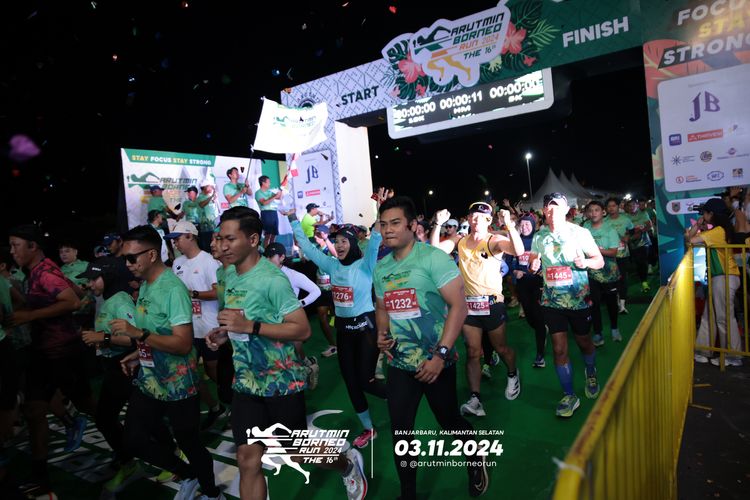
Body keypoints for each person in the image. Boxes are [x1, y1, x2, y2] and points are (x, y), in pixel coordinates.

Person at [206, 206, 367, 500]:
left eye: (230, 239)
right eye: (220, 238)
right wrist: (226, 333)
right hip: (246, 383)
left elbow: (301, 330)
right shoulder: (229, 275)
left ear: (253, 240)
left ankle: (347, 464)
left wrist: (249, 326)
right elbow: (244, 321)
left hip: (281, 383)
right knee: (247, 459)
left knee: (296, 451)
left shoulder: (272, 279)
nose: (222, 246)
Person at [374, 196, 488, 499]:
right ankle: (408, 494)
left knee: (448, 420)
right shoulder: (381, 267)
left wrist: (440, 355)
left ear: (413, 225)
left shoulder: (433, 259)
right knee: (401, 432)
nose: (388, 230)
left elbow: (459, 307)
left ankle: (474, 456)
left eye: (395, 223)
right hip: (399, 362)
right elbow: (382, 306)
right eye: (383, 224)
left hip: (437, 361)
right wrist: (382, 334)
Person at [114, 225, 222, 500]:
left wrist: (138, 334)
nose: (127, 264)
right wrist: (138, 353)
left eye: (131, 258)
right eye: (124, 258)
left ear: (151, 255)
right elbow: (157, 332)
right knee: (133, 439)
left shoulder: (172, 288)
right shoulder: (147, 285)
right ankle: (187, 475)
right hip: (151, 379)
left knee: (189, 442)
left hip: (179, 384)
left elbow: (183, 344)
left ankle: (212, 494)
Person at [291, 199, 386, 448]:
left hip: (366, 328)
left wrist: (379, 210)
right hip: (344, 330)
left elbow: (376, 237)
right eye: (337, 241)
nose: (340, 245)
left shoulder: (365, 264)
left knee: (365, 380)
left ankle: (398, 397)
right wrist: (293, 219)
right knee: (351, 382)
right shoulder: (331, 265)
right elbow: (307, 247)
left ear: (353, 243)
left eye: (344, 241)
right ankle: (369, 429)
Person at [8, 224, 93, 497]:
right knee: (34, 411)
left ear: (32, 246)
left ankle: (128, 451)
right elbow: (72, 294)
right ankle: (41, 477)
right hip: (42, 352)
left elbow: (72, 302)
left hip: (63, 352)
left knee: (90, 407)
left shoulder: (45, 272)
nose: (12, 251)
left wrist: (29, 316)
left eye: (15, 245)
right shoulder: (33, 272)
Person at [433, 203, 523, 418]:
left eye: (481, 217)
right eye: (472, 216)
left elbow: (518, 251)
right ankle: (475, 399)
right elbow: (435, 251)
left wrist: (510, 225)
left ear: (488, 220)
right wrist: (437, 224)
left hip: (492, 304)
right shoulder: (460, 241)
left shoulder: (494, 240)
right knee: (473, 352)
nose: (475, 220)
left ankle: (513, 373)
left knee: (501, 348)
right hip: (469, 306)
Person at [528, 193, 604, 418]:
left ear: (565, 210)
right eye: (549, 208)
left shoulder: (580, 232)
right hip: (551, 301)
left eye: (557, 207)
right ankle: (569, 395)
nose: (552, 212)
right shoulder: (539, 236)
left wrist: (586, 262)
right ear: (544, 211)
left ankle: (591, 371)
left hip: (578, 300)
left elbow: (599, 261)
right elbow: (533, 263)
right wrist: (533, 266)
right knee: (559, 348)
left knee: (584, 342)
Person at [78, 258, 143, 494]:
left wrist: (102, 338)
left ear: (108, 277)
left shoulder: (120, 300)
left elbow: (135, 338)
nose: (90, 284)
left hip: (127, 365)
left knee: (141, 420)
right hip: (114, 367)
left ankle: (174, 456)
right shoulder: (107, 299)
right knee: (108, 418)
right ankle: (128, 459)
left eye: (93, 279)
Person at [164, 220, 226, 429]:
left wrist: (192, 294)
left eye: (177, 239)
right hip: (187, 328)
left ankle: (235, 402)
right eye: (173, 240)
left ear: (190, 236)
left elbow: (219, 292)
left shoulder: (209, 261)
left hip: (210, 327)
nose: (175, 243)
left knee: (214, 371)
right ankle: (215, 407)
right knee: (190, 372)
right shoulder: (177, 263)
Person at [687, 198, 743, 367]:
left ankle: (733, 356)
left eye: (704, 213)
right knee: (709, 316)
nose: (703, 216)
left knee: (724, 318)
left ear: (711, 214)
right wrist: (701, 226)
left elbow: (690, 240)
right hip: (720, 277)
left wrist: (698, 225)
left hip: (724, 277)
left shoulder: (718, 231)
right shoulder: (719, 230)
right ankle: (704, 351)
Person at [264, 242, 321, 389]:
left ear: (282, 257)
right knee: (281, 356)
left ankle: (308, 369)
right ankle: (307, 366)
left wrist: (299, 304)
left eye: (271, 256)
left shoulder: (292, 275)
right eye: (266, 257)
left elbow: (316, 291)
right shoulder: (264, 275)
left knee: (294, 353)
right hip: (273, 322)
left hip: (291, 321)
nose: (268, 260)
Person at [583, 201, 622, 345]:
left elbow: (613, 252)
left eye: (597, 210)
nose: (593, 213)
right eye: (590, 210)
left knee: (611, 303)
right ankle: (598, 333)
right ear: (587, 213)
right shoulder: (585, 229)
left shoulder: (610, 229)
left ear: (603, 212)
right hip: (591, 273)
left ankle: (614, 328)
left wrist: (596, 250)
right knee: (594, 303)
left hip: (609, 272)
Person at [512, 215, 548, 368]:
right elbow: (508, 263)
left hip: (537, 283)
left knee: (538, 317)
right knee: (529, 318)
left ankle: (540, 355)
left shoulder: (538, 240)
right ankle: (542, 329)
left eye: (528, 224)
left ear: (534, 225)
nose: (525, 227)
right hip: (522, 285)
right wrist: (515, 272)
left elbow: (548, 259)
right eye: (522, 224)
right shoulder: (515, 242)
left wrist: (543, 271)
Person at [605, 197, 634, 314]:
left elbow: (631, 230)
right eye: (609, 206)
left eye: (613, 206)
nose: (611, 208)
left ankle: (622, 304)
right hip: (609, 255)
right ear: (606, 208)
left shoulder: (626, 219)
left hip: (623, 254)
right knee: (612, 280)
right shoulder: (604, 221)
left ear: (618, 206)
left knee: (622, 279)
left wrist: (627, 236)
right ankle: (615, 301)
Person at [626, 198, 652, 293]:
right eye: (629, 206)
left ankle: (644, 281)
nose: (631, 207)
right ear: (627, 207)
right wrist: (632, 232)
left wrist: (641, 231)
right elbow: (625, 229)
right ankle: (641, 276)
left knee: (643, 261)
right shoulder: (625, 217)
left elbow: (649, 225)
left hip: (643, 241)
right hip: (632, 241)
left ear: (637, 206)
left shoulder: (643, 214)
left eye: (633, 205)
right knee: (637, 261)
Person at [255, 175, 283, 248]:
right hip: (266, 214)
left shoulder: (270, 192)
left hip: (274, 213)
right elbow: (264, 203)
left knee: (274, 235)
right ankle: (266, 252)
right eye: (268, 182)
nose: (270, 184)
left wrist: (281, 190)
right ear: (263, 183)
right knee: (268, 235)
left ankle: (272, 250)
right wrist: (274, 196)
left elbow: (279, 197)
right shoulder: (258, 193)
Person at [198, 182, 220, 251]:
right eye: (210, 186)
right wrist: (211, 197)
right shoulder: (200, 197)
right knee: (208, 244)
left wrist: (214, 198)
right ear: (204, 187)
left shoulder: (211, 196)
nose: (211, 188)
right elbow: (201, 205)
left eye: (212, 186)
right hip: (206, 227)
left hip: (215, 225)